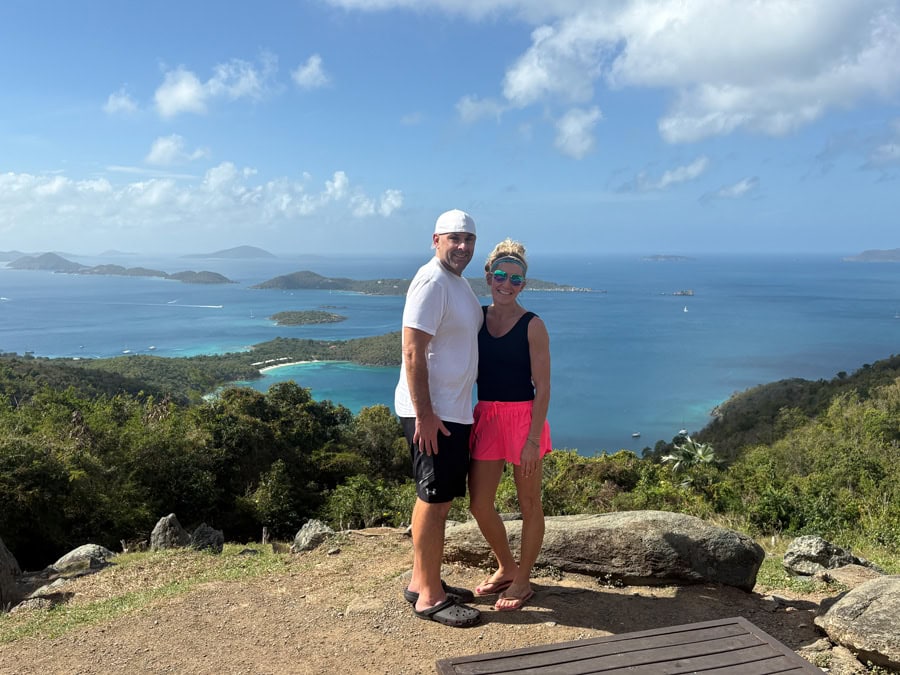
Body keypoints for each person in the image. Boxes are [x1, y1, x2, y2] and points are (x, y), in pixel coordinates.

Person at [395, 208, 483, 627]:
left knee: (437, 498)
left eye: (468, 239)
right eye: (454, 239)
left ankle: (422, 580)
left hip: (451, 410)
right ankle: (429, 598)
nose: (462, 246)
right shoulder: (432, 280)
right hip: (433, 413)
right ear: (436, 240)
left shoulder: (458, 283)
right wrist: (424, 415)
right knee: (434, 499)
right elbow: (412, 350)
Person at [468, 238, 551, 611]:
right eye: (500, 276)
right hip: (487, 416)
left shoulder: (533, 325)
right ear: (488, 277)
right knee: (479, 504)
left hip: (522, 420)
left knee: (529, 503)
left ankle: (523, 579)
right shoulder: (476, 318)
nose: (506, 284)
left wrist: (533, 439)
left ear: (524, 285)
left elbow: (544, 387)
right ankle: (506, 566)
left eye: (515, 280)